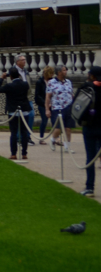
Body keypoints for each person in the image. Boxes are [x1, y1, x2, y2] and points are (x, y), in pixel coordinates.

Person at [76, 65, 101, 197]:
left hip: (90, 126)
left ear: (91, 75)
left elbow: (77, 104)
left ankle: (90, 187)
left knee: (90, 157)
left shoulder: (86, 87)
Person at [0, 67, 32, 160]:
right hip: (24, 110)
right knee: (24, 132)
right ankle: (24, 153)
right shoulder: (25, 84)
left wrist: (1, 78)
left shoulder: (9, 86)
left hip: (13, 110)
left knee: (13, 133)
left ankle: (13, 154)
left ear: (11, 76)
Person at [46, 65, 76, 153]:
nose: (66, 71)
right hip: (57, 107)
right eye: (64, 70)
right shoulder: (51, 82)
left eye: (66, 70)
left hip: (69, 107)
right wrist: (47, 109)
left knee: (68, 128)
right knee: (58, 128)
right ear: (59, 72)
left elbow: (71, 94)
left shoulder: (68, 82)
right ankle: (53, 140)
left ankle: (67, 147)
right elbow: (48, 97)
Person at [15, 54, 37, 145]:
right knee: (19, 118)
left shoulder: (26, 71)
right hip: (18, 98)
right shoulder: (13, 71)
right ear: (17, 62)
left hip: (27, 97)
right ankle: (19, 138)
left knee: (31, 115)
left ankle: (27, 136)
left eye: (25, 60)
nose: (25, 61)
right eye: (23, 60)